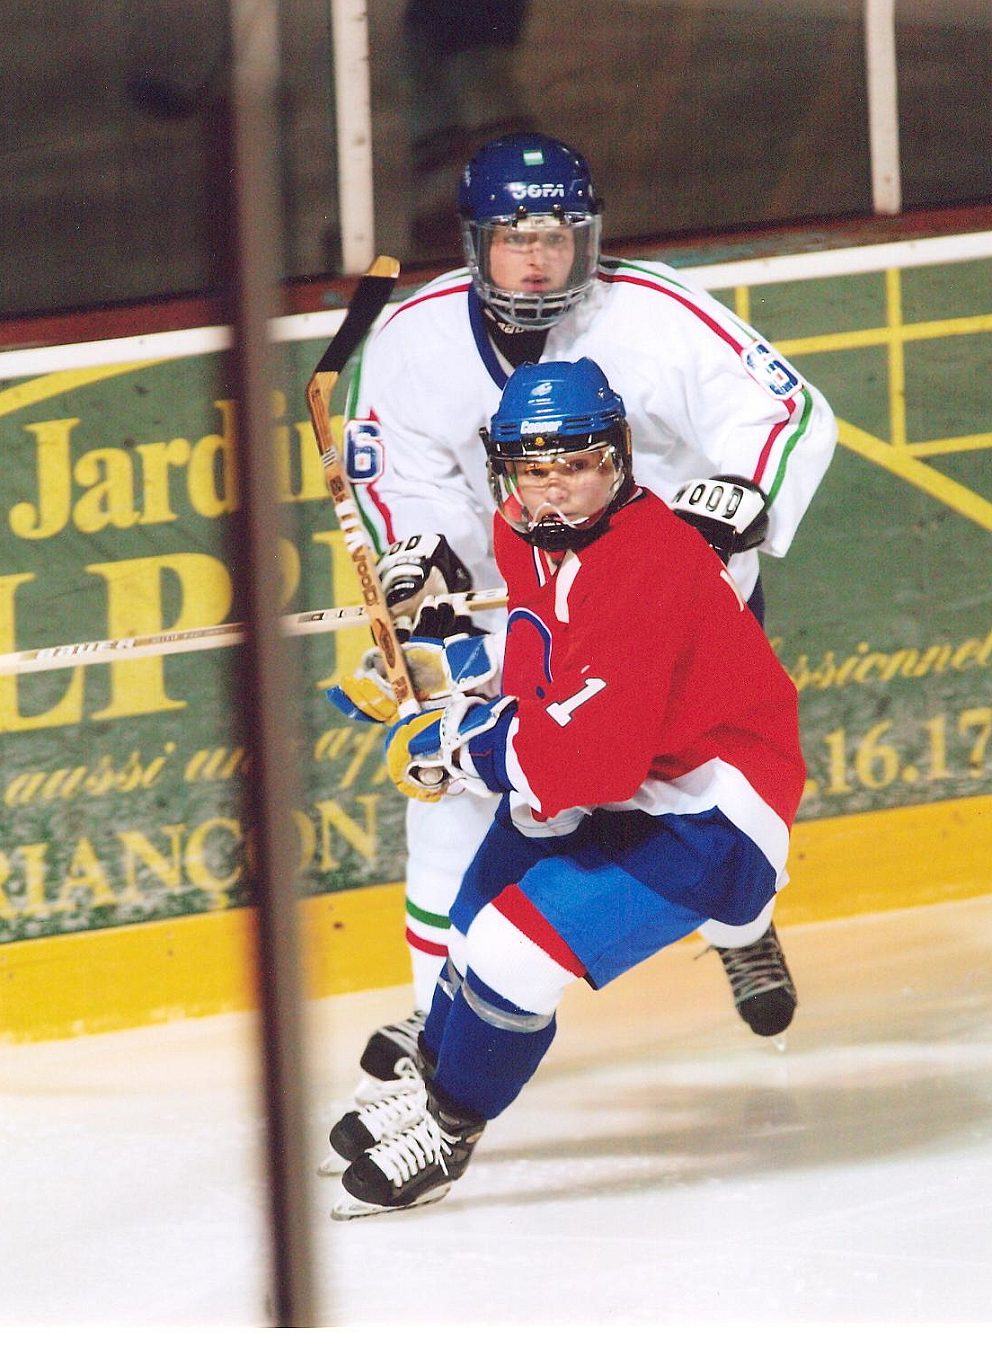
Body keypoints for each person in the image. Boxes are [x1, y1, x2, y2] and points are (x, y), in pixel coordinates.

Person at [329, 131, 835, 1110]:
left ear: (587, 238)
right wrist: (421, 562)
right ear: (475, 243)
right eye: (515, 238)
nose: (538, 259)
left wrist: (742, 489)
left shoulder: (650, 314)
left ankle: (739, 926)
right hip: (518, 610)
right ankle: (444, 1016)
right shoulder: (415, 343)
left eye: (558, 237)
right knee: (449, 789)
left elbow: (781, 413)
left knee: (690, 803)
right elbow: (398, 477)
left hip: (667, 608)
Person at [327, 359, 808, 1219]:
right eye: (535, 470)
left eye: (579, 465)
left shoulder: (650, 564)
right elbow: (543, 664)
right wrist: (451, 668)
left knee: (516, 949)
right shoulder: (523, 530)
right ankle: (441, 1071)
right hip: (628, 763)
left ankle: (449, 1126)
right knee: (475, 914)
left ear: (617, 460)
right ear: (505, 472)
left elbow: (598, 759)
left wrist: (462, 745)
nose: (557, 491)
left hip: (712, 802)